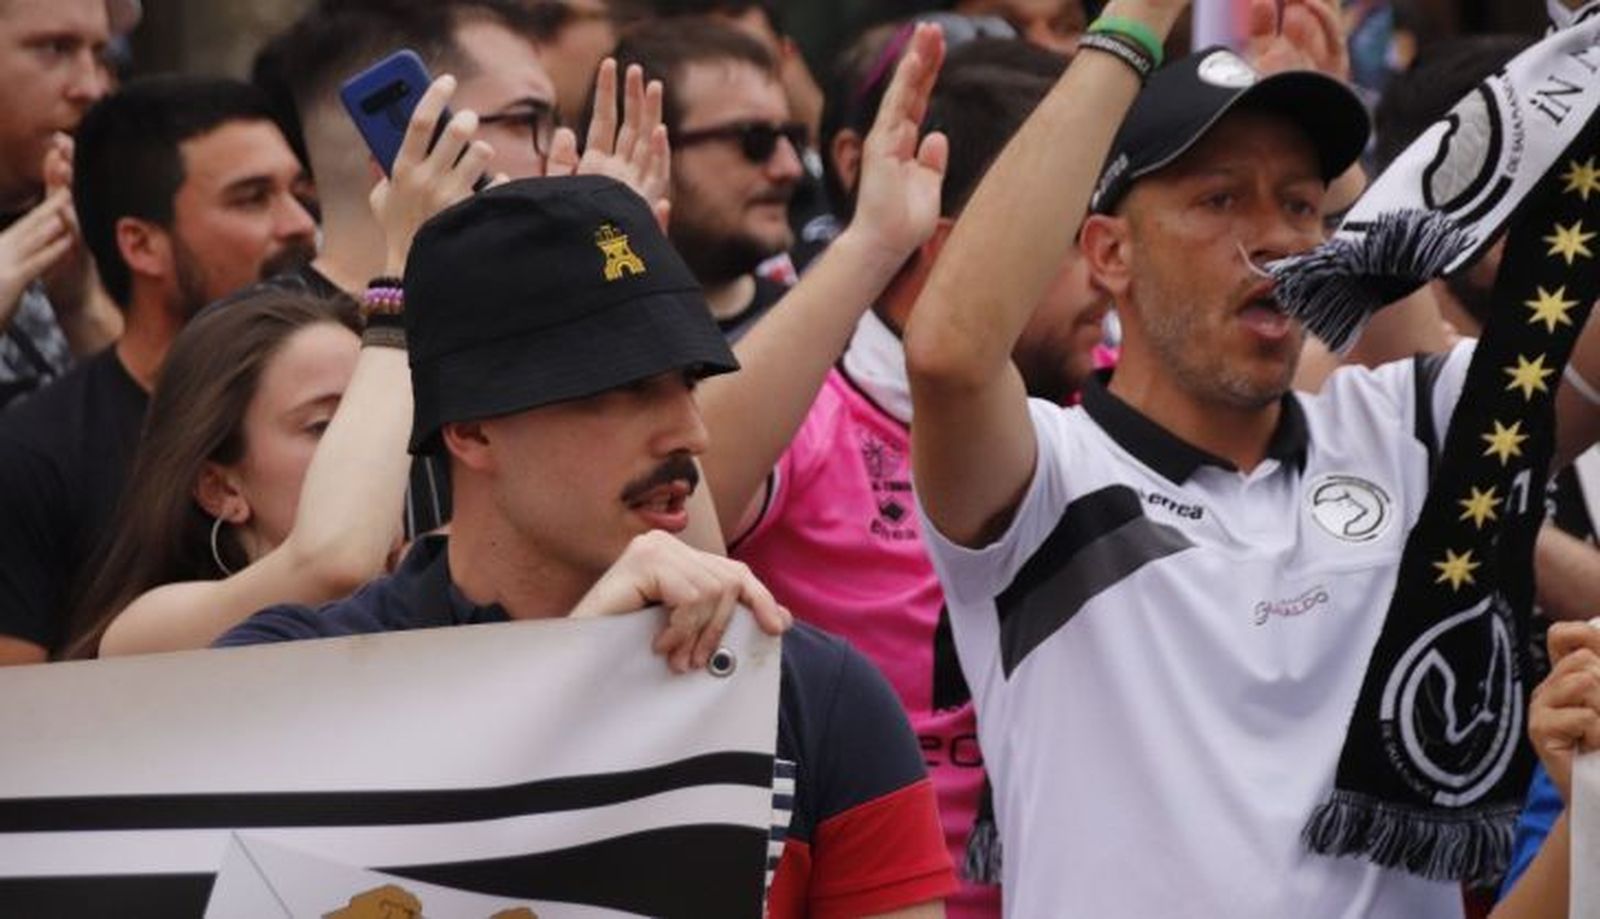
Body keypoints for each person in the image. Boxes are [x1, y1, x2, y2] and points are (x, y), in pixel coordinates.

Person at [901, 1, 1600, 916]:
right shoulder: (1045, 478)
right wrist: (1137, 21)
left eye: (1301, 204)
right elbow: (949, 352)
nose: (1276, 238)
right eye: (1220, 199)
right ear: (1108, 251)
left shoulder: (1406, 430)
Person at [214, 173, 959, 918]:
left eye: (688, 380)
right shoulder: (289, 678)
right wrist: (579, 677)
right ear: (471, 430)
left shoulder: (817, 694)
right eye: (624, 390)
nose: (690, 432)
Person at [698, 33, 1105, 919]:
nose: (1111, 270)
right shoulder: (810, 414)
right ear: (965, 250)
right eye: (1076, 237)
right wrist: (874, 243)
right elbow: (686, 487)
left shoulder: (1107, 390)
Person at [0, 76, 316, 665]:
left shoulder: (360, 381)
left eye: (299, 192)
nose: (299, 223)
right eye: (251, 198)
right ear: (142, 245)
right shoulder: (35, 455)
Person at [611, 16, 804, 339]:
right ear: (644, 153)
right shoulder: (590, 346)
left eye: (792, 137)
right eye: (755, 139)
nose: (791, 167)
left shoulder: (823, 335)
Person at [0, 0, 120, 406]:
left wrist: (81, 309)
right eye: (55, 49)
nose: (92, 88)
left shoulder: (101, 217)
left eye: (100, 54)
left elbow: (165, 436)